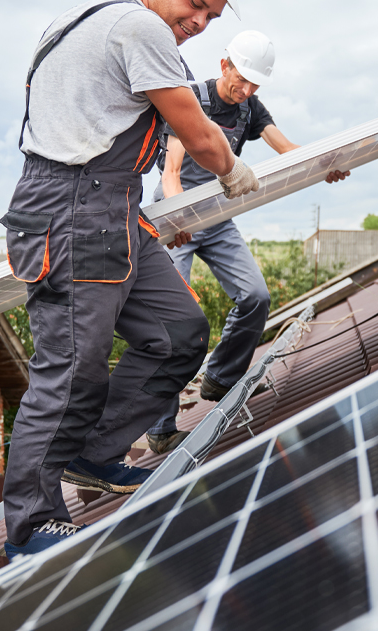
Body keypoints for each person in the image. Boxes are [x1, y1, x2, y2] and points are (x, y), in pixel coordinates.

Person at [1, 0, 256, 558]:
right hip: (70, 206)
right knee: (70, 371)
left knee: (179, 332)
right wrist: (232, 167)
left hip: (113, 204)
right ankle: (32, 524)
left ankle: (95, 453)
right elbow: (197, 136)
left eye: (211, 16)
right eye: (194, 1)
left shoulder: (89, 23)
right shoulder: (139, 28)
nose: (198, 21)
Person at [145, 30, 349, 454]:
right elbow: (171, 173)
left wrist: (324, 165)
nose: (248, 90)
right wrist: (179, 217)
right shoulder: (191, 99)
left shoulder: (250, 108)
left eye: (256, 83)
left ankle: (220, 378)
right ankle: (161, 427)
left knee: (256, 295)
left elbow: (286, 148)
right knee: (175, 322)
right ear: (225, 66)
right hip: (178, 219)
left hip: (218, 219)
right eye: (242, 79)